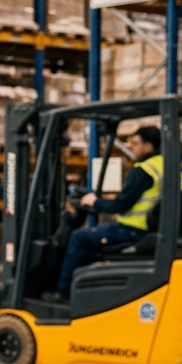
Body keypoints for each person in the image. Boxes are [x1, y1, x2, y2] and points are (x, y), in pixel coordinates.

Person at [49, 126, 163, 298]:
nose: (130, 146)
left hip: (132, 231)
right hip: (151, 231)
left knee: (79, 237)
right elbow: (141, 198)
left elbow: (121, 205)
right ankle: (86, 291)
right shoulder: (166, 167)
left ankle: (63, 292)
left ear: (148, 146)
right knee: (91, 242)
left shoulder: (143, 171)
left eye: (135, 143)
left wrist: (95, 201)